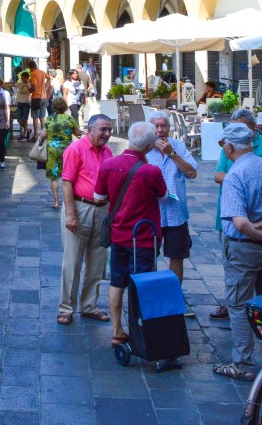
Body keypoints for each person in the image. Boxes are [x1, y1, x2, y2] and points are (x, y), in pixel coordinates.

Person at [213, 123, 262, 382]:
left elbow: (240, 224)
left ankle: (243, 362)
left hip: (245, 248)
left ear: (228, 147)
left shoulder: (235, 175)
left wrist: (261, 233)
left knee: (237, 304)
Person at [94, 122, 167, 346]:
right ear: (148, 147)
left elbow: (98, 198)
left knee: (117, 282)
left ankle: (118, 330)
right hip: (143, 238)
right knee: (142, 283)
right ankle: (140, 330)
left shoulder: (109, 164)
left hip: (118, 235)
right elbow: (163, 196)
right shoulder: (151, 171)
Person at [210, 107, 262, 320]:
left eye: (240, 127)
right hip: (228, 214)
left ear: (253, 128)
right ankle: (232, 302)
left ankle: (250, 307)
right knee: (229, 262)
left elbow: (257, 182)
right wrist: (239, 177)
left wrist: (234, 177)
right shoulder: (227, 145)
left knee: (261, 275)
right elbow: (217, 175)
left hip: (256, 219)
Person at [58, 114, 114, 325]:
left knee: (98, 261)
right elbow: (66, 183)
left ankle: (89, 305)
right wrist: (71, 214)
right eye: (103, 129)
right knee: (72, 261)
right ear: (89, 130)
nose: (107, 134)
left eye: (109, 129)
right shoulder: (76, 149)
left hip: (101, 209)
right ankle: (66, 307)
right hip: (80, 207)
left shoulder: (107, 151)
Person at [145, 109, 198, 306]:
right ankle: (149, 296)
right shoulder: (143, 150)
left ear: (169, 127)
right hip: (151, 214)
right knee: (148, 256)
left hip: (176, 214)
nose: (160, 130)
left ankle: (174, 297)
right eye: (156, 126)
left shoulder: (178, 146)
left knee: (177, 256)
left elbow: (192, 173)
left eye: (163, 126)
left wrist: (172, 154)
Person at [43, 96, 80, 210]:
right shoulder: (70, 119)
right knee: (68, 176)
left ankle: (56, 202)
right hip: (67, 150)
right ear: (65, 106)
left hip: (52, 150)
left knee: (54, 177)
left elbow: (43, 135)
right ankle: (68, 200)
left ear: (53, 107)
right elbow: (78, 133)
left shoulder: (49, 119)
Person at [28, 60, 51, 139]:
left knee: (35, 117)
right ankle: (43, 135)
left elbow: (33, 86)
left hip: (36, 97)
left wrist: (29, 89)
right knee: (42, 117)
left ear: (30, 67)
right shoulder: (41, 72)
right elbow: (49, 78)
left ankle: (35, 135)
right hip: (44, 97)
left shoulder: (33, 73)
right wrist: (45, 86)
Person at [14, 71, 33, 141]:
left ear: (27, 78)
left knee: (25, 119)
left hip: (26, 103)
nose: (22, 80)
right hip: (19, 103)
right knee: (18, 119)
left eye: (23, 78)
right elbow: (13, 85)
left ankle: (25, 133)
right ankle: (28, 130)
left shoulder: (29, 85)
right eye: (21, 78)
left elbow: (32, 91)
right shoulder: (20, 83)